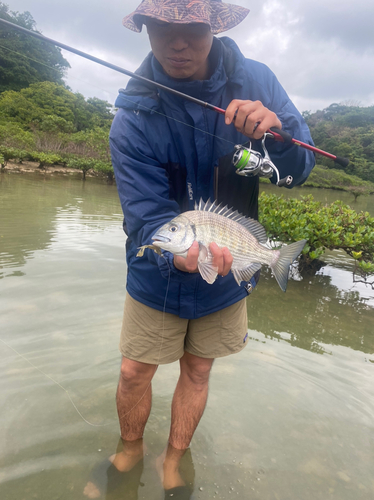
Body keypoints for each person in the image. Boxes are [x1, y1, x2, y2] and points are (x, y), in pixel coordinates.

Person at [85, 0, 315, 498]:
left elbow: (299, 172)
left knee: (199, 367)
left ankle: (174, 458)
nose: (178, 43)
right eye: (162, 29)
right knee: (133, 370)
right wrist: (174, 251)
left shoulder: (257, 81)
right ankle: (130, 449)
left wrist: (278, 136)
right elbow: (147, 217)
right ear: (145, 29)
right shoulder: (132, 116)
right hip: (157, 270)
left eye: (190, 28)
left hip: (230, 264)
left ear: (212, 25)